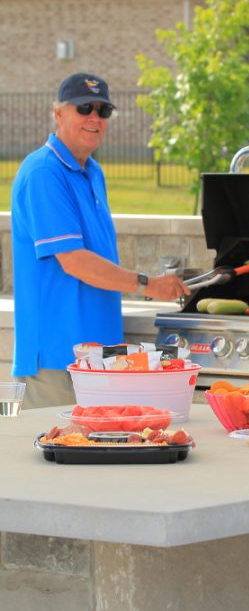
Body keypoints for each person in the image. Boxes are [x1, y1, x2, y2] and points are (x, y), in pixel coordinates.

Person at [11, 73, 190, 409]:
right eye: (84, 108)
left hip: (99, 359)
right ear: (59, 113)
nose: (94, 117)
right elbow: (75, 261)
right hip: (57, 359)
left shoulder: (93, 172)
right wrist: (147, 284)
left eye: (103, 110)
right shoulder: (43, 173)